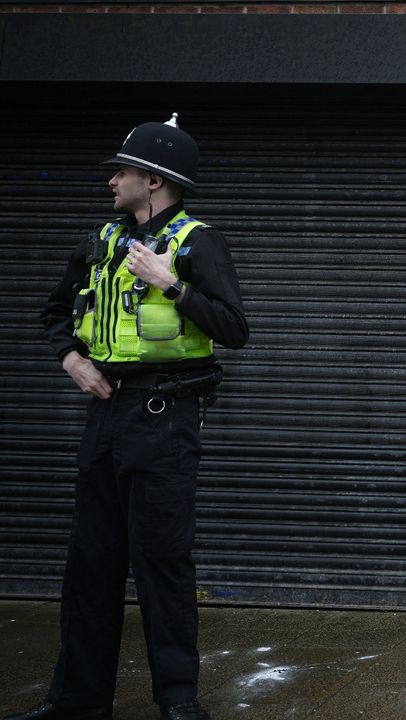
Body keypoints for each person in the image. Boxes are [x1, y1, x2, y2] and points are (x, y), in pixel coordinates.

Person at [9, 115, 249, 720]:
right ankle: (76, 701)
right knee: (90, 564)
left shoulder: (197, 242)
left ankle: (177, 702)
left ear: (155, 179)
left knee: (162, 563)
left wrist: (173, 285)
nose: (111, 180)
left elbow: (234, 329)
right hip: (107, 417)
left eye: (121, 170)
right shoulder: (102, 240)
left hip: (167, 419)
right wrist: (71, 359)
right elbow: (53, 312)